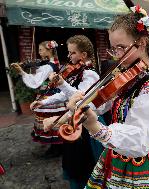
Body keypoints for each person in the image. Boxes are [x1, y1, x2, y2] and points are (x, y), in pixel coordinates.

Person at [59, 6, 149, 189]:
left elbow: (140, 139)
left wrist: (97, 127)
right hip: (116, 155)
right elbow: (102, 102)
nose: (117, 55)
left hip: (141, 164)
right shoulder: (130, 76)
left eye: (121, 48)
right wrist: (80, 103)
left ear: (142, 43)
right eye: (113, 49)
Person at [32, 35, 103, 189]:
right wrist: (43, 101)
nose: (69, 56)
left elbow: (81, 99)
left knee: (86, 165)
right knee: (74, 161)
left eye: (72, 53)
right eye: (69, 53)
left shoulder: (90, 74)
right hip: (75, 121)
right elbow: (65, 95)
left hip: (87, 124)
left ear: (83, 55)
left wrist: (63, 83)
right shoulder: (77, 71)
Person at [11, 41, 67, 158]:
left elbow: (36, 81)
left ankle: (56, 148)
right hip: (55, 94)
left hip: (50, 96)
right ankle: (58, 146)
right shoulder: (52, 63)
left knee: (49, 121)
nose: (39, 52)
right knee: (56, 119)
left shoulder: (47, 66)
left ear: (49, 50)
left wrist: (22, 72)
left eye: (41, 50)